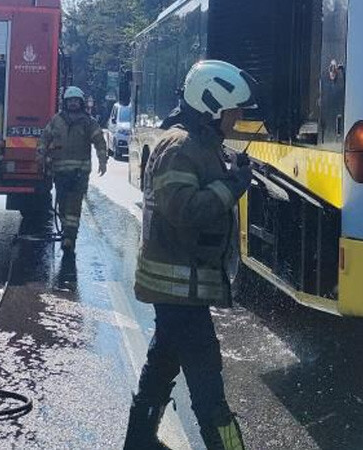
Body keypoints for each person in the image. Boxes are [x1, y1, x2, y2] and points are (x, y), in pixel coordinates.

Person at [123, 60, 258, 450]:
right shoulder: (180, 147)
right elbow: (184, 211)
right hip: (180, 290)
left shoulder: (201, 145)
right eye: (233, 111)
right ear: (211, 106)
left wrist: (233, 173)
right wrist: (233, 187)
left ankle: (138, 443)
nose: (237, 119)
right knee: (208, 389)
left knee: (161, 366)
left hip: (182, 288)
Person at [38, 86, 108, 254]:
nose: (74, 104)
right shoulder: (56, 120)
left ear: (81, 103)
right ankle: (66, 233)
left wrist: (102, 160)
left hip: (79, 173)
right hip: (60, 173)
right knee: (62, 205)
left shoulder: (88, 122)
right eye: (71, 101)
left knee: (74, 206)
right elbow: (45, 138)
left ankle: (70, 237)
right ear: (66, 102)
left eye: (77, 101)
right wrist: (41, 157)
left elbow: (99, 140)